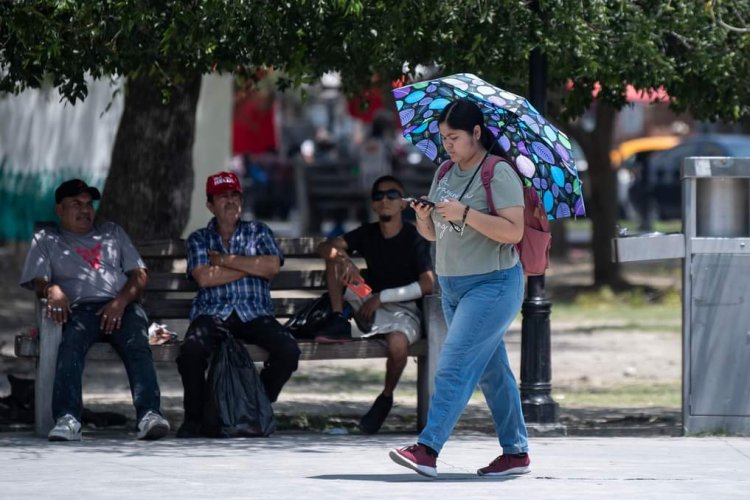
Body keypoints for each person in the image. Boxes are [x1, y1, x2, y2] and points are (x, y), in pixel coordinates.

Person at [389, 99, 530, 478]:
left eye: (454, 137)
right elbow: (435, 233)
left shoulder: (498, 173)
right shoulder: (445, 172)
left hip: (494, 284)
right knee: (492, 371)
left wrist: (466, 213)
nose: (447, 144)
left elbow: (513, 232)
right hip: (452, 287)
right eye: (443, 138)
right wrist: (423, 218)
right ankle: (516, 453)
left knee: (453, 363)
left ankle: (428, 448)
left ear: (477, 134)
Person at [19, 179, 170, 441]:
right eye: (76, 204)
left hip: (120, 305)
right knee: (70, 344)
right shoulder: (47, 239)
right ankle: (68, 419)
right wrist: (51, 289)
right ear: (59, 209)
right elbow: (39, 281)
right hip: (79, 310)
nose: (85, 210)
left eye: (89, 204)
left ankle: (149, 416)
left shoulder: (112, 233)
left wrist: (120, 303)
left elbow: (139, 275)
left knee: (137, 344)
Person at [175, 171, 301, 438]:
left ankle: (256, 404)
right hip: (212, 312)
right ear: (210, 204)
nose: (230, 201)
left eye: (234, 195)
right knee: (191, 351)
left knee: (288, 350)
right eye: (222, 197)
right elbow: (205, 278)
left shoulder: (259, 231)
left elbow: (271, 266)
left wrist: (223, 261)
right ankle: (194, 418)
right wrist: (251, 267)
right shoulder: (199, 238)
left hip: (254, 313)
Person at [316, 175, 435, 434]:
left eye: (392, 195)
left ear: (402, 204)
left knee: (398, 344)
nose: (385, 200)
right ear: (373, 204)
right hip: (367, 299)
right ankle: (338, 318)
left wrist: (383, 297)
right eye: (379, 195)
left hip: (402, 308)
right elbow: (326, 247)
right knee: (335, 260)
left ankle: (385, 397)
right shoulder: (367, 233)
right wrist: (344, 258)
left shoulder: (413, 237)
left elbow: (428, 284)